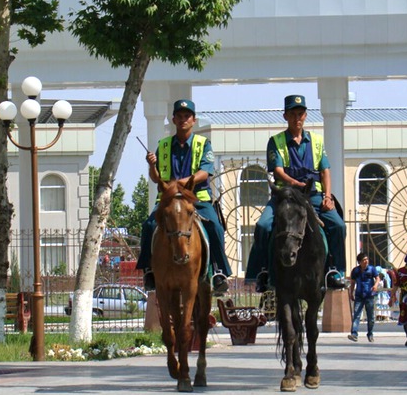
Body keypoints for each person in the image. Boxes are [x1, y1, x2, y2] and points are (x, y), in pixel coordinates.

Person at [245, 95, 347, 292]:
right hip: (285, 195)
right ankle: (263, 271)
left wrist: (327, 196)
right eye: (292, 114)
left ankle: (335, 271)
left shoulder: (316, 141)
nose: (297, 118)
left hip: (313, 195)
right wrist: (295, 184)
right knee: (263, 225)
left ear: (306, 116)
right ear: (285, 116)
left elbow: (325, 170)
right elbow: (278, 171)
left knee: (338, 225)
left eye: (300, 114)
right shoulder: (275, 141)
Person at [136, 99, 231, 294]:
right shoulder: (163, 145)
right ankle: (149, 271)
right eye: (179, 117)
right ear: (173, 120)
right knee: (149, 226)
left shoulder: (203, 144)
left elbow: (205, 172)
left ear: (193, 120)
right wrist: (152, 165)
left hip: (197, 198)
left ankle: (220, 272)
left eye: (187, 116)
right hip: (169, 199)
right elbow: (156, 179)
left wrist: (182, 183)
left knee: (214, 225)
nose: (183, 120)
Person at [347, 252, 380, 342]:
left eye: (367, 259)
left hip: (369, 295)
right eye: (364, 260)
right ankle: (354, 334)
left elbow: (377, 278)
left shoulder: (371, 269)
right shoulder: (355, 271)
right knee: (356, 315)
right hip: (359, 295)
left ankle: (370, 333)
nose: (366, 261)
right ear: (359, 262)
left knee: (371, 317)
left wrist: (376, 285)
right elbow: (353, 282)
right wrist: (351, 293)